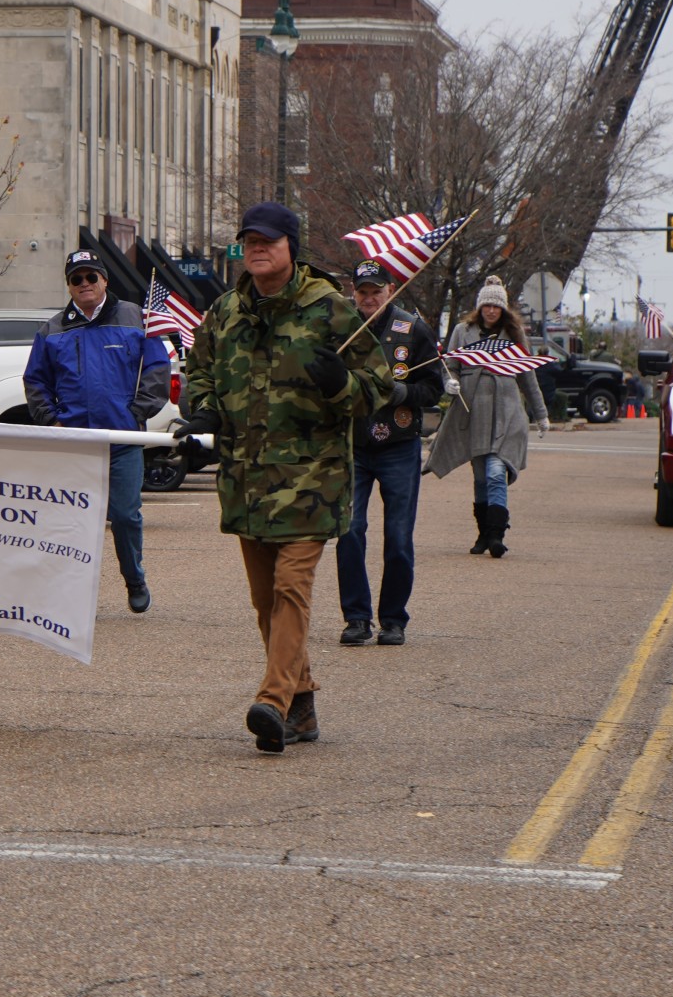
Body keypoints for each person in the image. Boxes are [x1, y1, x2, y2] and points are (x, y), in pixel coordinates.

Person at [177, 201, 392, 754]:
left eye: (267, 240)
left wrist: (339, 383)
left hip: (312, 482)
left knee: (290, 591)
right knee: (264, 602)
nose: (256, 248)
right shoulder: (225, 312)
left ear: (290, 247)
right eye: (249, 239)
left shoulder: (332, 311)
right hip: (247, 482)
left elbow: (379, 386)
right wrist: (202, 409)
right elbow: (198, 369)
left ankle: (271, 702)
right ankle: (301, 705)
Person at [22, 249, 172, 612]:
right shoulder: (53, 329)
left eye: (92, 277)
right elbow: (35, 380)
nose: (85, 284)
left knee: (124, 515)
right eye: (77, 279)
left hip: (122, 440)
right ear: (69, 286)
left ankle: (134, 578)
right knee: (74, 520)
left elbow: (156, 369)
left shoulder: (135, 318)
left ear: (105, 279)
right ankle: (74, 591)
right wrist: (53, 420)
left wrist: (137, 411)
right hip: (75, 444)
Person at [335, 259, 444, 647]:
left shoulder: (413, 330)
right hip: (353, 444)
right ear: (354, 291)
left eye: (375, 292)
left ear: (390, 290)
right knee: (349, 530)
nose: (368, 298)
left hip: (398, 445)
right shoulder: (340, 327)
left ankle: (394, 619)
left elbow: (435, 388)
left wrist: (406, 393)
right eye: (362, 291)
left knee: (398, 537)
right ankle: (357, 617)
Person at [427, 277, 547, 558]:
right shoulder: (462, 331)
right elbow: (450, 365)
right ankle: (483, 533)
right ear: (479, 307)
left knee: (496, 473)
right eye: (487, 305)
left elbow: (527, 376)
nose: (491, 310)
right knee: (481, 477)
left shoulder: (514, 334)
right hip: (474, 413)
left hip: (507, 413)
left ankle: (496, 535)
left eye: (496, 306)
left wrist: (541, 415)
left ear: (503, 309)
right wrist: (451, 382)